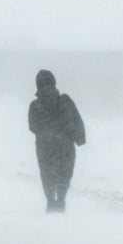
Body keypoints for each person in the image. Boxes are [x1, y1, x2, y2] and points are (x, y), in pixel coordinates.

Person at [28, 69, 85, 213]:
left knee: (47, 173)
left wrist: (46, 132)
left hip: (44, 146)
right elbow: (76, 120)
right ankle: (61, 201)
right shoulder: (65, 100)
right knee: (64, 172)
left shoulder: (34, 105)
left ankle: (50, 203)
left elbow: (32, 127)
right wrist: (79, 138)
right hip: (65, 144)